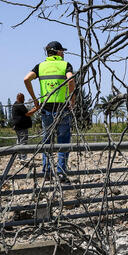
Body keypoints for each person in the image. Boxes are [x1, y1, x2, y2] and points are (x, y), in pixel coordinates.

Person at [23, 41, 75, 180]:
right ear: (57, 52)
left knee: (47, 140)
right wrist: (72, 100)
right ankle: (61, 172)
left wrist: (35, 100)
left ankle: (46, 172)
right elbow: (71, 81)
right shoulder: (65, 65)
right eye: (62, 51)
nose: (63, 53)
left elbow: (26, 79)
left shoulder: (40, 66)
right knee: (63, 141)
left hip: (46, 109)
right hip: (62, 108)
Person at [9, 93, 34, 159]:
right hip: (22, 126)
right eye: (23, 98)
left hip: (17, 126)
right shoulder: (20, 104)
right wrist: (36, 109)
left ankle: (19, 156)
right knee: (23, 141)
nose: (24, 99)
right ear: (20, 98)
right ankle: (23, 157)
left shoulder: (15, 104)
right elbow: (28, 113)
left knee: (19, 141)